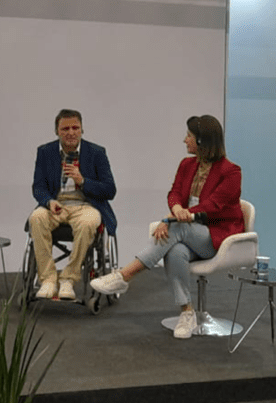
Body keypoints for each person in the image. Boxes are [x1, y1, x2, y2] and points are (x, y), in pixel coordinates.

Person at [91, 114, 244, 339]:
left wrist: (172, 219)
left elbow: (214, 205)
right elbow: (174, 193)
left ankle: (124, 276)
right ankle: (187, 312)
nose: (185, 140)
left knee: (176, 229)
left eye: (189, 136)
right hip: (188, 229)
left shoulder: (231, 172)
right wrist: (175, 210)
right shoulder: (187, 164)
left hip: (217, 237)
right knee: (175, 251)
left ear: (202, 141)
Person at [29, 109, 117, 300]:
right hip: (57, 205)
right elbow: (38, 186)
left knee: (87, 223)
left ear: (82, 130)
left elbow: (110, 190)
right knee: (36, 218)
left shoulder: (96, 153)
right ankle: (48, 279)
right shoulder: (45, 152)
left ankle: (68, 279)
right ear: (57, 131)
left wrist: (83, 181)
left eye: (75, 128)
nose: (70, 132)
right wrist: (48, 201)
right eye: (65, 128)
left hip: (86, 206)